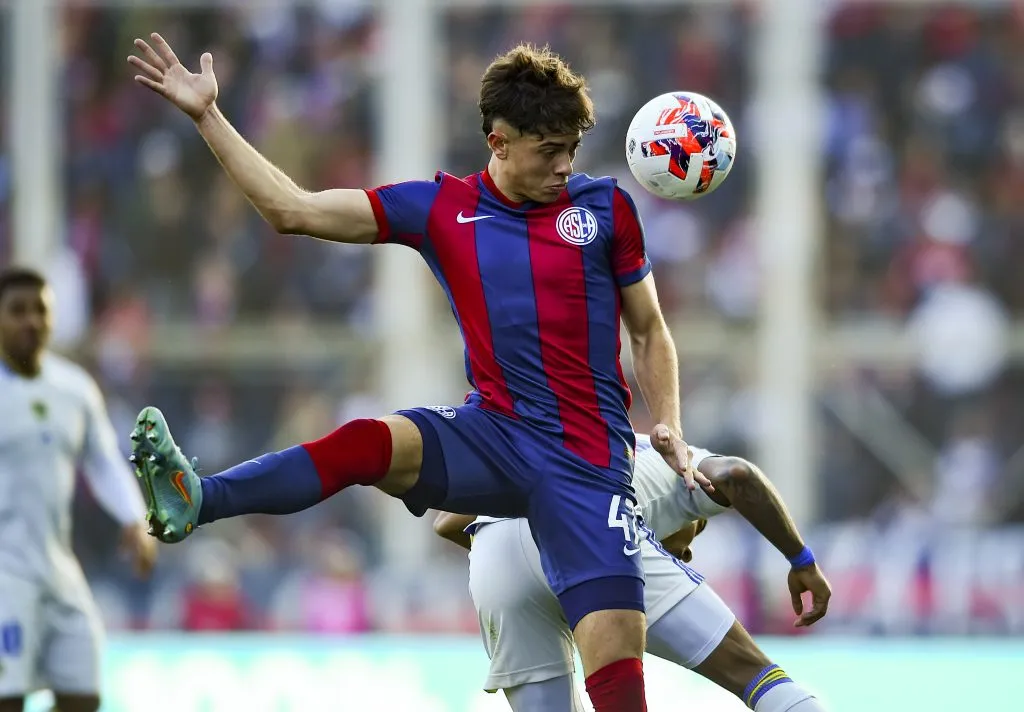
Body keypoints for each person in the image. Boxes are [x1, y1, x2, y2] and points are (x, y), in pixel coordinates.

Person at [127, 35, 712, 711]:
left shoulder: (605, 210)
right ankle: (200, 498)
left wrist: (667, 418)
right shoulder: (440, 209)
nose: (565, 166)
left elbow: (648, 329)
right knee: (367, 443)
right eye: (549, 149)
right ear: (498, 140)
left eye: (572, 149)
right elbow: (293, 209)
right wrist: (208, 117)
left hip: (587, 465)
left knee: (617, 689)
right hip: (496, 434)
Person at [434, 435, 832, 712]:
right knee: (755, 674)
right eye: (697, 531)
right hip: (594, 525)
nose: (688, 553)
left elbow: (445, 524)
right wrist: (802, 561)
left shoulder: (592, 444)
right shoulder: (680, 466)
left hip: (494, 558)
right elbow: (736, 475)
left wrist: (542, 570)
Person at [0, 267, 157, 712]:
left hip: (57, 567)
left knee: (83, 695)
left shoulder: (74, 389)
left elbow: (104, 462)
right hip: (4, 574)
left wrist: (134, 519)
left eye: (40, 310)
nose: (31, 321)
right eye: (17, 311)